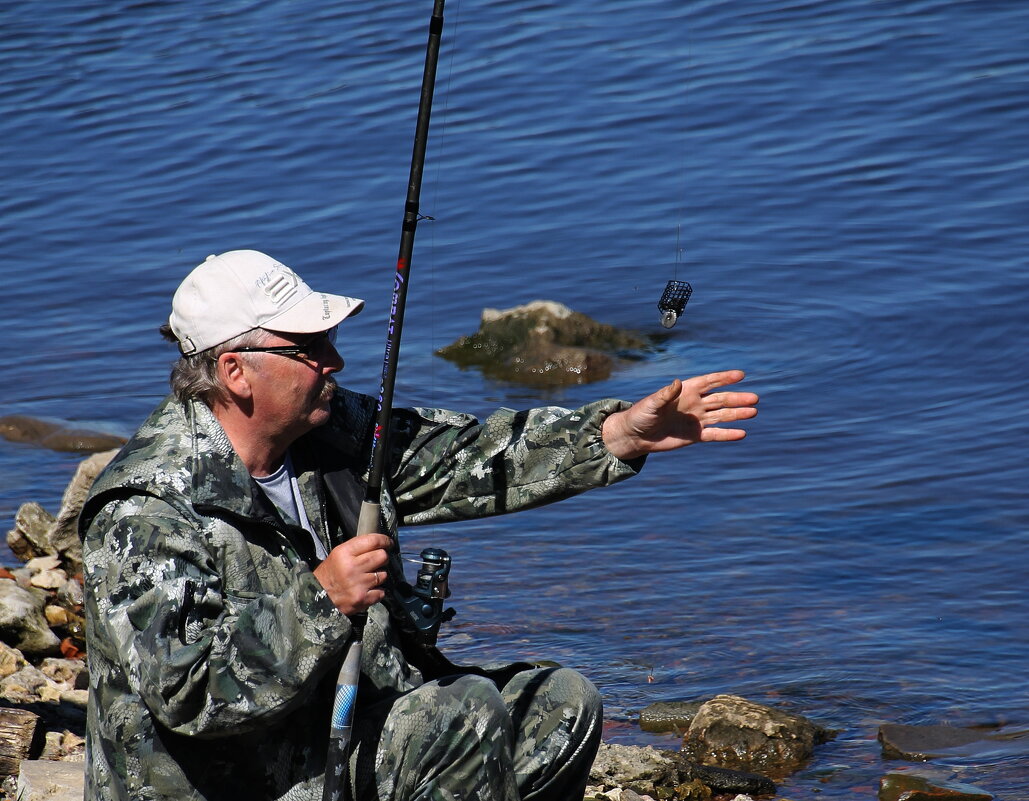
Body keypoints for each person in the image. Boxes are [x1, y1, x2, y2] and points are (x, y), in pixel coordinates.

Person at [80, 249, 758, 801]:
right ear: (236, 370)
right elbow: (190, 692)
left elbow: (463, 455)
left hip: (336, 735)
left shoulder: (329, 433)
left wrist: (615, 434)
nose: (334, 362)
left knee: (561, 703)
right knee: (459, 714)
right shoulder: (145, 508)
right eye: (310, 347)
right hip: (228, 781)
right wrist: (321, 600)